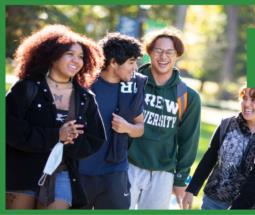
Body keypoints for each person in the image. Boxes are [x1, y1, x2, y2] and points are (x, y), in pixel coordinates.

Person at [6, 25, 106, 209]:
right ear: (52, 56)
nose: (76, 60)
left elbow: (96, 138)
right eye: (70, 54)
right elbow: (9, 130)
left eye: (81, 56)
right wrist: (56, 136)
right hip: (21, 171)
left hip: (62, 172)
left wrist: (71, 141)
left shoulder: (85, 97)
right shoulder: (26, 88)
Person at [128, 27, 201, 209]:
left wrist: (181, 178)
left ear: (177, 55)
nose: (163, 57)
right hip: (127, 164)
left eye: (170, 52)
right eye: (158, 51)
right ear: (149, 52)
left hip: (163, 173)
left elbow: (188, 141)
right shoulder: (131, 82)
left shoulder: (187, 96)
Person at [182, 88, 255, 210]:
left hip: (250, 206)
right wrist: (192, 189)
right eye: (245, 98)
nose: (246, 103)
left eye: (254, 100)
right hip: (214, 201)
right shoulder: (227, 125)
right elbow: (209, 159)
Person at [79, 32, 146, 209]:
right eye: (131, 62)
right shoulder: (85, 84)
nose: (135, 67)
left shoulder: (134, 87)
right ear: (113, 62)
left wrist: (127, 127)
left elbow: (140, 128)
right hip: (81, 170)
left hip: (115, 172)